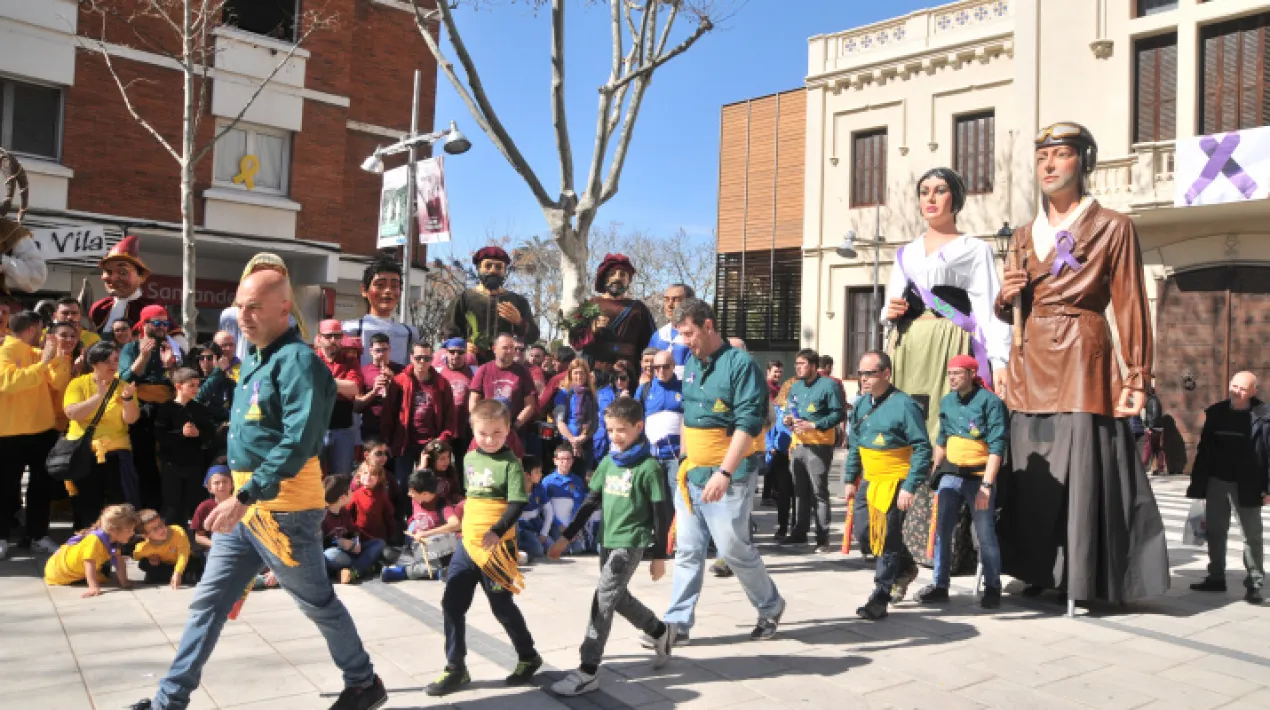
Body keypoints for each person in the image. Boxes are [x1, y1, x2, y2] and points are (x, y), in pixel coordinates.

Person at [128, 262, 386, 710]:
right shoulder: (253, 359)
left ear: (285, 308)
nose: (243, 316)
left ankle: (363, 683)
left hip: (284, 510)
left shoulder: (299, 361)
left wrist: (245, 496)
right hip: (242, 507)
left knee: (316, 602)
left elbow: (299, 440)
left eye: (255, 307)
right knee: (208, 604)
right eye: (239, 307)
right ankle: (169, 700)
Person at [994, 122, 1169, 608]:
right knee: (1033, 471)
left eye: (1061, 154)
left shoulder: (1113, 225)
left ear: (1083, 161)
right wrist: (1003, 298)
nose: (1048, 164)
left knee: (1084, 469)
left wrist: (1137, 372)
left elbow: (1131, 301)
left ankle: (1086, 576)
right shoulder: (1025, 235)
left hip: (1080, 352)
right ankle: (1034, 569)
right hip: (1031, 359)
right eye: (1042, 156)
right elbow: (1009, 307)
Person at [656, 298, 785, 645]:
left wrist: (724, 473)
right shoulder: (692, 364)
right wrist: (684, 459)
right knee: (687, 550)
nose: (685, 342)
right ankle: (677, 624)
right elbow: (689, 417)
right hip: (692, 474)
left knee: (732, 548)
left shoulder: (741, 364)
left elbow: (748, 422)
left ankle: (770, 607)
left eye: (689, 333)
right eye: (681, 335)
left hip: (730, 475)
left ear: (708, 325)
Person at [548, 396, 675, 696]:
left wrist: (659, 555)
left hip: (629, 544)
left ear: (638, 427)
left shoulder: (649, 467)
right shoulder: (607, 462)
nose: (615, 436)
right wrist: (566, 538)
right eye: (610, 430)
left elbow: (662, 513)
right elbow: (591, 502)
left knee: (602, 600)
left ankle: (588, 669)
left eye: (621, 430)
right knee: (617, 597)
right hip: (607, 541)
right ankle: (660, 630)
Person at [426, 399, 542, 697]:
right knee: (452, 604)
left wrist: (497, 530)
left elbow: (517, 503)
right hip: (469, 544)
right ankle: (455, 668)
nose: (490, 440)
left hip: (497, 547)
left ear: (507, 432)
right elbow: (473, 499)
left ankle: (528, 656)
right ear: (473, 430)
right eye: (483, 433)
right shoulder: (468, 460)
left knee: (501, 606)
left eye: (497, 433)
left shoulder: (511, 464)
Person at [913, 354, 1008, 608]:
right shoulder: (947, 402)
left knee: (984, 533)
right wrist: (935, 472)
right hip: (950, 475)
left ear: (970, 374)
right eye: (950, 374)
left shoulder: (990, 402)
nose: (952, 378)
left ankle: (993, 587)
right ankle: (940, 584)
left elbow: (997, 446)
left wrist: (987, 485)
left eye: (957, 373)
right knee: (943, 530)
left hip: (978, 476)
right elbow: (942, 439)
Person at [843, 351, 931, 621]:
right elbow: (855, 444)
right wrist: (849, 478)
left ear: (886, 374)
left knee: (887, 537)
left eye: (869, 373)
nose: (863, 378)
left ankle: (880, 596)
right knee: (865, 533)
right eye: (861, 373)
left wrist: (909, 486)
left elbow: (922, 448)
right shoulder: (860, 405)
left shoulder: (905, 405)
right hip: (869, 479)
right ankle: (904, 566)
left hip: (895, 480)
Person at [1186, 372, 1268, 605]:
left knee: (1251, 534)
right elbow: (1204, 450)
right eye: (1233, 386)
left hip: (1248, 483)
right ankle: (1216, 576)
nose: (1236, 391)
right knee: (1215, 530)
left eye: (1242, 388)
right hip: (1217, 481)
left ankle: (1255, 582)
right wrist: (1199, 485)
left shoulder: (1263, 417)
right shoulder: (1217, 413)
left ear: (1253, 391)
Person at [0, 309, 74, 558]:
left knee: (41, 488)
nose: (44, 334)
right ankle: (1, 536)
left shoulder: (37, 353)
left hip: (42, 431)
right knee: (5, 488)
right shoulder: (5, 350)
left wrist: (59, 357)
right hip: (8, 433)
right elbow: (10, 383)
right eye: (42, 329)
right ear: (32, 328)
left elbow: (58, 382)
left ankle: (37, 535)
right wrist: (43, 363)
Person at [65, 341, 141, 528]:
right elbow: (73, 413)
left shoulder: (124, 386)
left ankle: (119, 542)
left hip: (116, 451)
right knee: (87, 501)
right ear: (94, 363)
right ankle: (87, 543)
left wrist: (128, 399)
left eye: (115, 360)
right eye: (107, 361)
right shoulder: (78, 384)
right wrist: (98, 396)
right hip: (85, 452)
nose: (113, 365)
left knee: (121, 502)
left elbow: (131, 419)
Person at [119, 304, 179, 511]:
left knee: (170, 459)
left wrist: (169, 366)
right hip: (141, 408)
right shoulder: (131, 348)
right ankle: (147, 507)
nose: (163, 327)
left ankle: (169, 506)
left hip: (167, 408)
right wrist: (143, 357)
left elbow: (180, 382)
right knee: (143, 460)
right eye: (158, 323)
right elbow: (125, 377)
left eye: (166, 323)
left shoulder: (172, 347)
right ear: (145, 324)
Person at [382, 341, 455, 510]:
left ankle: (430, 521)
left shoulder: (442, 384)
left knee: (432, 486)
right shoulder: (399, 381)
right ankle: (404, 524)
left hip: (432, 443)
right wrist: (387, 439)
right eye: (419, 357)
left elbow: (450, 416)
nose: (422, 362)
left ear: (432, 359)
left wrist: (442, 439)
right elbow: (388, 414)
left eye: (427, 358)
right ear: (411, 358)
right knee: (402, 485)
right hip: (405, 442)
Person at [785, 349, 845, 552]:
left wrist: (815, 424)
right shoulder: (795, 386)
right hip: (797, 445)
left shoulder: (829, 386)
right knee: (799, 492)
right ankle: (799, 533)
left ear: (813, 366)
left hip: (819, 446)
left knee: (819, 492)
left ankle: (822, 538)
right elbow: (789, 409)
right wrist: (788, 420)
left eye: (802, 364)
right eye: (796, 364)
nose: (798, 367)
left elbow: (838, 414)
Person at [567, 254, 656, 381]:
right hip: (596, 371)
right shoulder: (590, 305)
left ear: (629, 280)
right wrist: (592, 329)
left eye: (623, 274)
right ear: (605, 278)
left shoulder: (639, 308)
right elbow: (574, 339)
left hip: (628, 372)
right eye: (612, 274)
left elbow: (650, 342)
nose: (617, 278)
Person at [445, 246, 539, 362]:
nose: (493, 270)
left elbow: (533, 336)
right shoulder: (464, 299)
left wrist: (520, 322)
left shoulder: (518, 301)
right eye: (488, 266)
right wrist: (462, 345)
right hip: (470, 363)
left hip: (506, 364)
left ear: (504, 271)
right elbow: (449, 332)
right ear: (479, 269)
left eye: (499, 267)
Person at [155, 368, 216, 528]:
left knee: (193, 501)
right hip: (172, 464)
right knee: (172, 503)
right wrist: (180, 434)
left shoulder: (199, 409)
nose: (196, 389)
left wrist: (198, 433)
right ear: (178, 386)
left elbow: (210, 434)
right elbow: (160, 435)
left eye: (197, 385)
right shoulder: (166, 409)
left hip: (194, 464)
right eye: (191, 386)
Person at [381, 469, 462, 582]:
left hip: (436, 552)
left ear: (425, 494)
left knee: (432, 565)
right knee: (387, 552)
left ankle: (404, 571)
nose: (409, 494)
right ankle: (435, 572)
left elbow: (456, 524)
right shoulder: (416, 500)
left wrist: (426, 533)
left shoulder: (442, 504)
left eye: (412, 492)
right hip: (416, 549)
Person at [44, 503, 138, 595]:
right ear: (112, 529)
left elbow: (119, 560)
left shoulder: (113, 539)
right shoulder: (94, 540)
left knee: (104, 573)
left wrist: (124, 581)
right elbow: (89, 564)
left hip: (71, 567)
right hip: (58, 571)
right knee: (99, 573)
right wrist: (93, 587)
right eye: (129, 530)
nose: (132, 533)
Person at [468, 333, 537, 458]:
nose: (510, 351)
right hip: (487, 433)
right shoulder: (484, 370)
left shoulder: (523, 372)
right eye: (505, 347)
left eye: (513, 348)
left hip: (513, 433)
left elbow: (530, 405)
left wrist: (514, 425)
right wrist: (478, 424)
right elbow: (473, 401)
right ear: (494, 349)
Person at [343, 255, 419, 367]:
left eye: (394, 286)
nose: (388, 291)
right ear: (364, 290)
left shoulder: (410, 333)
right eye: (380, 285)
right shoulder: (350, 329)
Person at [314, 319, 364, 477]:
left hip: (343, 430)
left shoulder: (350, 361)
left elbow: (354, 389)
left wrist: (324, 382)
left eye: (337, 336)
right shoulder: (311, 359)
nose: (333, 341)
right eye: (328, 336)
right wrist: (341, 386)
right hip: (315, 431)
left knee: (340, 481)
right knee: (313, 479)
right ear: (319, 338)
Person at [323, 474, 388, 585]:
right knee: (330, 555)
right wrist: (337, 543)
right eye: (350, 491)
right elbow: (318, 542)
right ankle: (360, 568)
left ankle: (351, 571)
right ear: (342, 497)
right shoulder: (322, 515)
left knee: (379, 543)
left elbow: (353, 530)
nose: (352, 492)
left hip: (351, 551)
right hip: (337, 554)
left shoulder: (344, 512)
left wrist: (355, 542)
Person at [89, 235, 160, 334]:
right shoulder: (99, 308)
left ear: (141, 277)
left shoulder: (151, 309)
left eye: (123, 272)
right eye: (109, 272)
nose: (113, 278)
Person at [354, 333, 401, 445]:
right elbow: (356, 406)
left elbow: (408, 398)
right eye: (377, 351)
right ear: (370, 351)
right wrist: (374, 391)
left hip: (396, 427)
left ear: (389, 349)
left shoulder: (401, 370)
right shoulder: (363, 372)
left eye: (384, 350)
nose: (381, 354)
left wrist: (394, 381)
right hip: (372, 427)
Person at [554, 358, 599, 474]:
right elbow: (559, 421)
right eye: (576, 373)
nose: (579, 377)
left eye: (582, 373)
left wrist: (583, 438)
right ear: (570, 375)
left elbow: (594, 422)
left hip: (586, 442)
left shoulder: (591, 395)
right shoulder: (563, 394)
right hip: (568, 443)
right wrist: (573, 440)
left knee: (584, 476)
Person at [543, 445, 589, 555]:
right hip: (555, 525)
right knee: (564, 550)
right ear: (555, 461)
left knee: (578, 550)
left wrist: (573, 527)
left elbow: (578, 505)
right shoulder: (548, 481)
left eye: (568, 459)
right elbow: (546, 509)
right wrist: (560, 526)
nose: (565, 462)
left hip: (571, 524)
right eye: (562, 459)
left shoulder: (577, 480)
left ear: (572, 461)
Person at [133, 509, 196, 589]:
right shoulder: (144, 547)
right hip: (164, 565)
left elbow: (183, 554)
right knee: (143, 563)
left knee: (194, 562)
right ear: (146, 536)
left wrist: (178, 572)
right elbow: (136, 556)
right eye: (155, 529)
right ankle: (174, 577)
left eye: (161, 524)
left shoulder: (177, 531)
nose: (161, 530)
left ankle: (181, 576)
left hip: (182, 563)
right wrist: (150, 559)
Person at [768, 376, 797, 541]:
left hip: (798, 452)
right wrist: (770, 446)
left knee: (798, 493)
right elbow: (770, 429)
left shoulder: (800, 408)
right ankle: (782, 526)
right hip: (781, 454)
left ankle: (797, 527)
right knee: (783, 493)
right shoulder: (778, 408)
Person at [437, 337, 474, 461]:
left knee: (463, 465)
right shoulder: (438, 373)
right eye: (452, 352)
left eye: (460, 352)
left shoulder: (474, 372)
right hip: (443, 428)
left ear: (466, 354)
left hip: (465, 429)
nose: (456, 355)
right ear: (446, 353)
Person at [648, 283, 694, 378]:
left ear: (690, 303)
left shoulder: (697, 335)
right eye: (666, 299)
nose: (669, 305)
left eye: (676, 300)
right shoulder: (658, 336)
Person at [191, 465, 233, 555]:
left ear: (232, 484)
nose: (221, 485)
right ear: (209, 488)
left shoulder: (241, 505)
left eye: (225, 482)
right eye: (216, 483)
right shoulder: (204, 507)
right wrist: (215, 545)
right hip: (215, 550)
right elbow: (198, 536)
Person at [516, 455, 551, 562]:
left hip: (536, 526)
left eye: (540, 471)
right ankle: (518, 550)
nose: (541, 475)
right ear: (527, 475)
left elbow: (549, 511)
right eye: (537, 472)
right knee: (538, 550)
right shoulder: (516, 489)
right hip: (521, 528)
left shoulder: (539, 488)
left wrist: (544, 533)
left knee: (552, 547)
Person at [760, 360, 785, 505]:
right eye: (775, 371)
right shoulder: (765, 388)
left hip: (777, 429)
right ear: (768, 371)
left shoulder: (779, 388)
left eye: (780, 372)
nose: (778, 374)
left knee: (775, 464)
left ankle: (773, 493)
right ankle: (766, 495)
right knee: (770, 462)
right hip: (768, 429)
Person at [1143, 382, 1166, 475]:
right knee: (1157, 448)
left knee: (1148, 447)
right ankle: (1159, 468)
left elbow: (1154, 413)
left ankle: (1142, 466)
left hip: (1153, 428)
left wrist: (1150, 427)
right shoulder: (1155, 399)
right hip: (1158, 427)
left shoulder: (1152, 400)